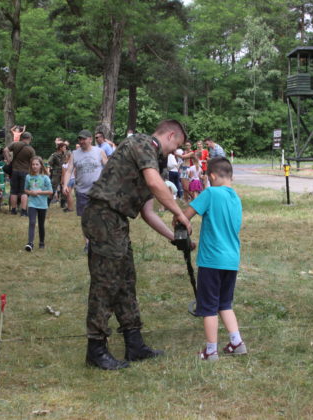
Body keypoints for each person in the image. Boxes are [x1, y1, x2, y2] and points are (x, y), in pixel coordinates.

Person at [81, 119, 192, 370]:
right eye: (177, 145)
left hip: (116, 221)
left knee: (126, 281)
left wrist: (174, 238)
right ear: (170, 135)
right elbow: (154, 183)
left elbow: (148, 212)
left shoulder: (151, 161)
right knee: (106, 284)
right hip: (103, 216)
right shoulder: (143, 143)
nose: (175, 151)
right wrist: (179, 213)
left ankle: (134, 344)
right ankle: (96, 349)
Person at [181, 157, 245, 361]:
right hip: (231, 260)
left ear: (213, 176)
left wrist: (182, 222)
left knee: (208, 306)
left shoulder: (210, 193)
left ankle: (210, 351)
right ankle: (236, 342)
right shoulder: (236, 198)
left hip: (211, 260)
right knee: (225, 303)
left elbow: (185, 215)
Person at [62, 129, 108, 252]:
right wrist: (65, 185)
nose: (81, 141)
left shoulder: (99, 151)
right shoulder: (75, 154)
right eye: (80, 139)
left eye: (84, 139)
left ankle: (99, 241)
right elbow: (69, 170)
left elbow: (108, 167)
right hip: (82, 191)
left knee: (98, 217)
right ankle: (88, 244)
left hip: (97, 191)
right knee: (85, 219)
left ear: (90, 139)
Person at [3, 131, 36, 216]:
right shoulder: (31, 149)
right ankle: (23, 211)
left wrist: (8, 160)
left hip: (14, 171)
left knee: (14, 191)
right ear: (29, 138)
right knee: (24, 192)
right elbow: (34, 162)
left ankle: (13, 210)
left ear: (22, 137)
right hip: (25, 172)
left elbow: (5, 150)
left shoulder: (15, 144)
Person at [24, 156, 53, 251]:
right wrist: (30, 192)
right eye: (33, 164)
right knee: (32, 222)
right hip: (32, 203)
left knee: (41, 224)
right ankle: (30, 243)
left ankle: (41, 242)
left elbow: (50, 191)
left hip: (42, 204)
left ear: (41, 165)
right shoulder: (28, 177)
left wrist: (40, 192)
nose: (34, 166)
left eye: (37, 164)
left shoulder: (45, 178)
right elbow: (25, 189)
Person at [47, 139, 66, 205]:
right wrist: (48, 170)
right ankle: (48, 202)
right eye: (64, 147)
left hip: (63, 174)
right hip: (56, 174)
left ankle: (63, 203)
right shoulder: (54, 155)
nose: (65, 149)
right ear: (60, 148)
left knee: (63, 187)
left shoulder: (64, 155)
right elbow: (48, 163)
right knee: (53, 188)